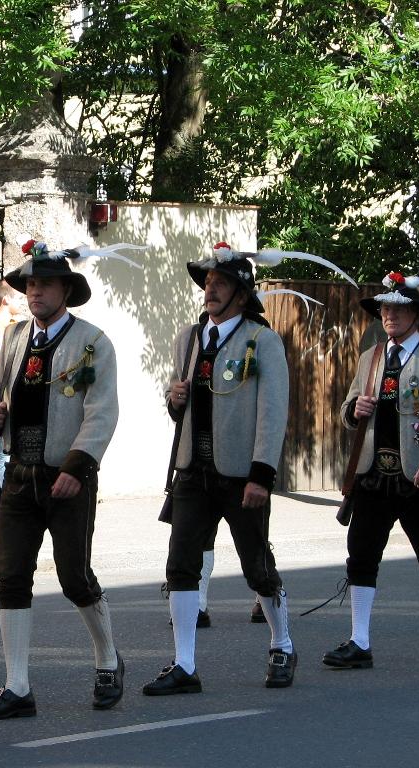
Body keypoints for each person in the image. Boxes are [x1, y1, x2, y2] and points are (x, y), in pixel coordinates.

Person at [0, 239, 122, 719]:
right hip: (20, 474)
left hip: (67, 476)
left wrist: (77, 468)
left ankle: (108, 660)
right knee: (11, 576)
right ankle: (17, 686)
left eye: (45, 284)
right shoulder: (15, 336)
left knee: (74, 576)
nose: (34, 292)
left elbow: (102, 413)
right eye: (30, 284)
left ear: (66, 291)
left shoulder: (93, 342)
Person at [143, 242, 297, 696]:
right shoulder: (189, 338)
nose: (209, 289)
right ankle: (185, 665)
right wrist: (174, 401)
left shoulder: (262, 341)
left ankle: (282, 644)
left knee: (257, 567)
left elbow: (273, 413)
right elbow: (181, 407)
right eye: (207, 282)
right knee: (180, 566)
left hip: (242, 475)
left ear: (241, 294)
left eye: (220, 283)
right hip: (193, 471)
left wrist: (261, 475)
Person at [322, 270, 419, 669]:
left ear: (416, 315)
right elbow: (348, 409)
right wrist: (354, 410)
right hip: (373, 475)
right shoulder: (370, 358)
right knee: (361, 555)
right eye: (385, 308)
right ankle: (359, 642)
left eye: (398, 309)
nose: (389, 315)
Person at [0, 281, 27, 502]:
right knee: (3, 453)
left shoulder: (18, 325)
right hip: (3, 398)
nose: (24, 301)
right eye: (19, 297)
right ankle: (2, 495)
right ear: (6, 300)